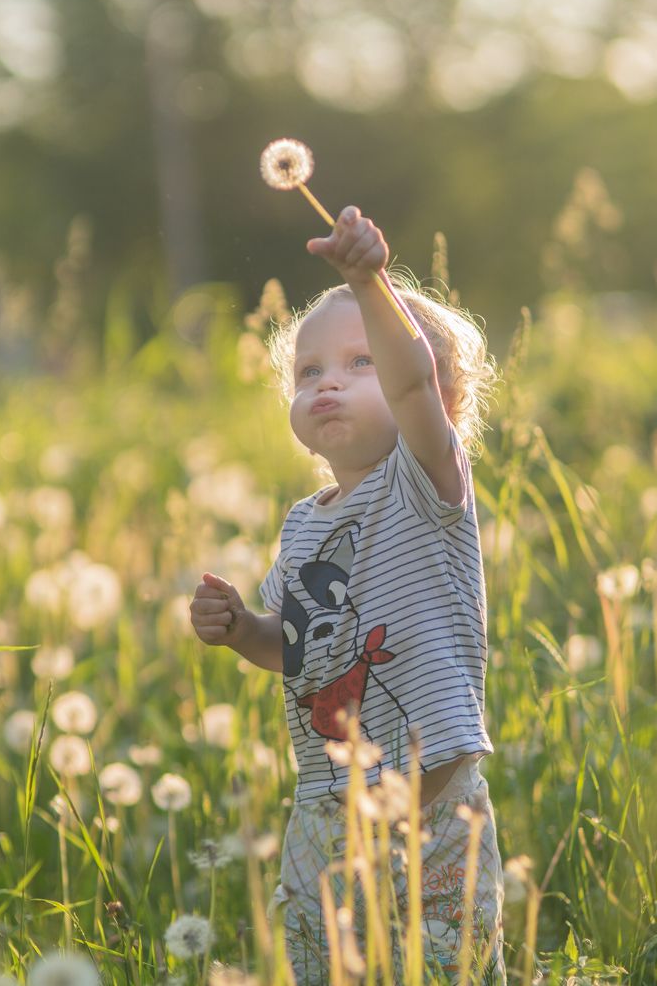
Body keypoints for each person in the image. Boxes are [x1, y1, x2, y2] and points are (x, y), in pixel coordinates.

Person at [190, 206, 506, 984]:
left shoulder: (427, 483)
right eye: (308, 372)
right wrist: (242, 628)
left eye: (360, 362)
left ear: (441, 398)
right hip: (325, 809)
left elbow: (411, 381)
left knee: (450, 965)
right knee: (322, 965)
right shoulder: (304, 526)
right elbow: (295, 645)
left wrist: (368, 282)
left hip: (434, 807)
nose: (326, 381)